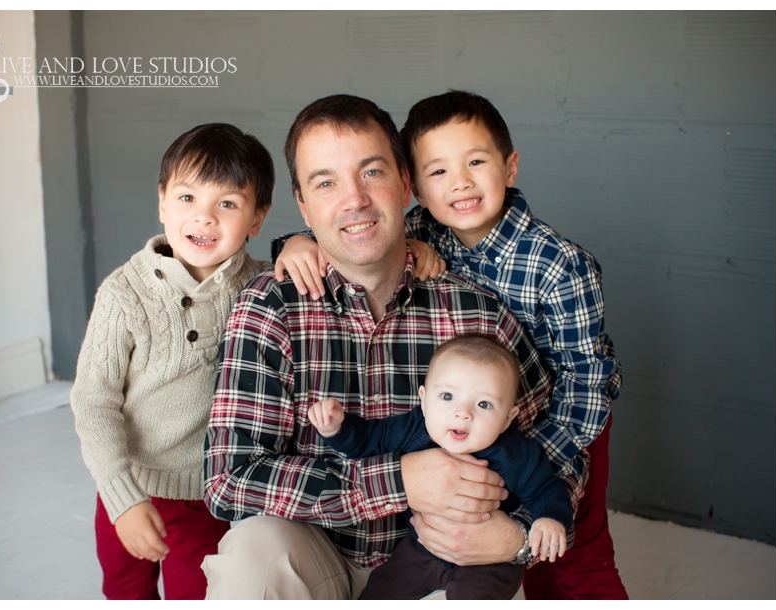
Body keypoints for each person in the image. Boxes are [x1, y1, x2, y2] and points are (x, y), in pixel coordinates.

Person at [202, 94, 556, 600]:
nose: (354, 200)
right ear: (303, 205)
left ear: (405, 183)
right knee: (251, 553)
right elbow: (231, 480)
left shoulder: (476, 312)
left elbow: (553, 446)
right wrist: (400, 480)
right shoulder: (271, 306)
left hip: (442, 560)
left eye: (371, 173)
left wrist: (519, 535)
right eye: (326, 182)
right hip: (314, 555)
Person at [276, 89, 626, 599]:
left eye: (476, 162)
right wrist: (293, 243)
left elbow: (588, 385)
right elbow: (345, 229)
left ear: (510, 168)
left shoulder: (559, 264)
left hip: (564, 426)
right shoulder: (419, 228)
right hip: (471, 414)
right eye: (438, 172)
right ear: (412, 187)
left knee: (571, 556)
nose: (460, 182)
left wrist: (517, 461)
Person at [70, 123, 274, 599]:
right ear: (162, 201)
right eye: (187, 198)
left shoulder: (264, 286)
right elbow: (93, 403)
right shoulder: (125, 294)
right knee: (127, 592)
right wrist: (122, 498)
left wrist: (300, 245)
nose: (204, 218)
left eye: (227, 204)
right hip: (132, 485)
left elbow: (326, 258)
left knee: (198, 594)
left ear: (256, 220)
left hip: (212, 492)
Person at [308, 334, 572, 599]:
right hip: (422, 547)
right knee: (382, 589)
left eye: (484, 404)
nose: (463, 412)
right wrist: (337, 428)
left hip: (489, 559)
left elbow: (547, 489)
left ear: (507, 419)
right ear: (423, 400)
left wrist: (549, 518)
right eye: (447, 396)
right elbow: (368, 439)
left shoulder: (516, 453)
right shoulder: (414, 428)